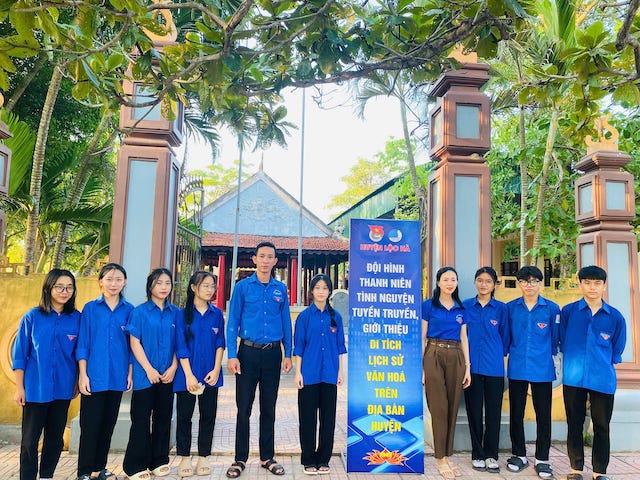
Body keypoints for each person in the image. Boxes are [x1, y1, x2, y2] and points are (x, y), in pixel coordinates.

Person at [226, 241, 293, 478]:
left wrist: (288, 353)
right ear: (254, 259)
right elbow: (232, 322)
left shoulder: (280, 289)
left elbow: (286, 322)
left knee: (268, 407)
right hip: (248, 353)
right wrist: (232, 355)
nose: (265, 260)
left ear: (275, 261)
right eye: (261, 256)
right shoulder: (242, 287)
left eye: (269, 257)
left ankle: (267, 457)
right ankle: (239, 459)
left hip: (273, 354)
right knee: (243, 407)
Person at [12, 268, 81, 480]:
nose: (64, 291)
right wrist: (19, 388)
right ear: (48, 288)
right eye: (59, 287)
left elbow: (80, 353)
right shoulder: (32, 317)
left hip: (63, 388)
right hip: (35, 388)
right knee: (29, 440)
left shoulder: (77, 319)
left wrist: (77, 381)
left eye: (69, 287)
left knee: (55, 439)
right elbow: (20, 355)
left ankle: (46, 476)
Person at [560, 265, 626, 480]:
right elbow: (562, 340)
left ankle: (600, 471)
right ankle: (576, 469)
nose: (592, 287)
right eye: (587, 282)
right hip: (574, 376)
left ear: (604, 286)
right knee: (574, 424)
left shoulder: (615, 317)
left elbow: (617, 349)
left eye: (597, 283)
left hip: (602, 379)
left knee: (601, 426)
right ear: (580, 284)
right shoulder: (568, 312)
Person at [76, 263, 134, 480]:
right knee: (90, 426)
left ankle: (99, 468)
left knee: (108, 424)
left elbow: (131, 346)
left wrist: (129, 373)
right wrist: (83, 374)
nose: (113, 284)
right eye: (109, 279)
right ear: (100, 281)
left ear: (125, 282)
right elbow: (83, 343)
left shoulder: (129, 310)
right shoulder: (90, 309)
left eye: (118, 279)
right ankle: (83, 471)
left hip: (117, 376)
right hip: (94, 376)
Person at [123, 268, 179, 480]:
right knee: (141, 419)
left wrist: (173, 367)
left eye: (167, 283)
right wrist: (149, 369)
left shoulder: (176, 313)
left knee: (163, 418)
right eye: (159, 283)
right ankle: (135, 465)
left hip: (168, 375)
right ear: (150, 286)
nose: (164, 287)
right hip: (144, 375)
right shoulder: (139, 312)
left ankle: (159, 461)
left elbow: (180, 344)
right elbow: (134, 342)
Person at [506, 265, 559, 479]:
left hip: (542, 368)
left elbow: (555, 338)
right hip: (517, 367)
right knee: (516, 413)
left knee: (543, 414)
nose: (529, 285)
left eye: (534, 281)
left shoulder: (552, 309)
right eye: (525, 281)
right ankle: (519, 454)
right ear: (519, 284)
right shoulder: (510, 308)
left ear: (540, 283)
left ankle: (542, 459)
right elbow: (507, 337)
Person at [293, 274, 347, 475]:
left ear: (329, 291)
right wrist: (298, 373)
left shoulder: (336, 317)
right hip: (308, 374)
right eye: (317, 288)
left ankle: (323, 459)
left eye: (325, 288)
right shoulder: (304, 317)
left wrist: (340, 371)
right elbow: (299, 347)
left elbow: (340, 347)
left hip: (330, 374)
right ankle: (308, 460)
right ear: (312, 291)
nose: (321, 291)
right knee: (307, 419)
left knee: (328, 419)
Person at [174, 271, 226, 478]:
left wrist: (216, 369)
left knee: (208, 416)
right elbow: (180, 346)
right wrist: (188, 375)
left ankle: (204, 456)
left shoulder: (217, 314)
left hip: (210, 374)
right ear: (194, 288)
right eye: (205, 285)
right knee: (184, 417)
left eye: (212, 286)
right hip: (187, 375)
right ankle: (184, 457)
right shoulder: (182, 315)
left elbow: (220, 343)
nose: (210, 289)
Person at [422, 266, 471, 479]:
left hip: (456, 356)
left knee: (452, 407)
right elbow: (422, 337)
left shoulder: (461, 308)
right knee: (438, 407)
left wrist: (467, 367)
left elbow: (464, 338)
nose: (450, 283)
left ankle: (447, 455)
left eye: (453, 279)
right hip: (434, 353)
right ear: (438, 282)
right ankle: (440, 458)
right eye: (446, 279)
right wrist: (422, 367)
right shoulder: (428, 306)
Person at [463, 266, 509, 474]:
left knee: (493, 412)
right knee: (473, 411)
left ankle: (491, 455)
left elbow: (505, 338)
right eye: (480, 280)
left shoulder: (501, 309)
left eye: (488, 281)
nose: (483, 284)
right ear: (475, 282)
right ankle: (477, 454)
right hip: (471, 368)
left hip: (494, 368)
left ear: (494, 285)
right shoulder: (465, 306)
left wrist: (497, 355)